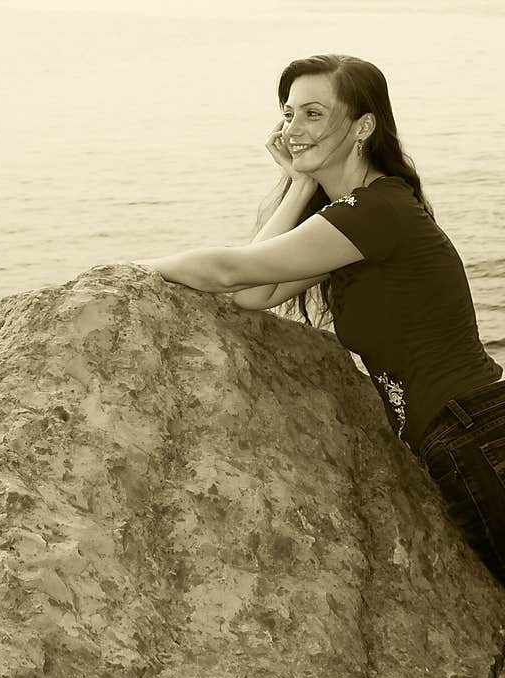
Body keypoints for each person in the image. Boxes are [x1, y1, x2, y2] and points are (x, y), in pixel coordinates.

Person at [133, 53, 505, 583]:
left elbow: (230, 271)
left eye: (313, 113)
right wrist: (301, 185)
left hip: (477, 434)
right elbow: (257, 292)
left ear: (364, 125)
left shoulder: (377, 211)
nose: (293, 129)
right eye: (288, 114)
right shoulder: (350, 219)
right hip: (455, 438)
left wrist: (124, 273)